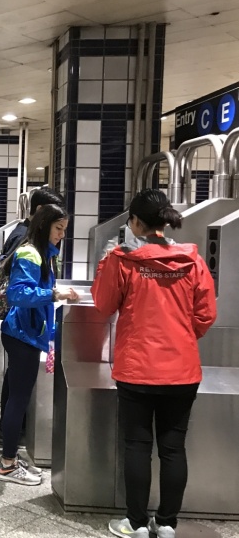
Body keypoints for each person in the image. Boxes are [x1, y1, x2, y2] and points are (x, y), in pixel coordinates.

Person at [92, 190, 216, 538]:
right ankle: (166, 524)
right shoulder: (191, 260)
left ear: (134, 223)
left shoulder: (123, 259)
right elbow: (206, 315)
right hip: (182, 370)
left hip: (137, 369)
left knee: (138, 445)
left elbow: (103, 304)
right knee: (174, 448)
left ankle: (135, 523)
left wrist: (106, 263)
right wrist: (179, 338)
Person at [0, 204, 77, 486]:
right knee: (18, 398)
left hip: (26, 333)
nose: (61, 235)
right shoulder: (30, 253)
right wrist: (55, 292)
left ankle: (10, 458)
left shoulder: (43, 254)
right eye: (58, 229)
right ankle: (7, 464)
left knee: (16, 395)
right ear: (43, 226)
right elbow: (18, 294)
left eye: (64, 230)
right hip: (22, 335)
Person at [0, 186, 64, 260]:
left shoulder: (30, 232)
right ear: (39, 210)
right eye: (55, 215)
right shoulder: (23, 237)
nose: (62, 235)